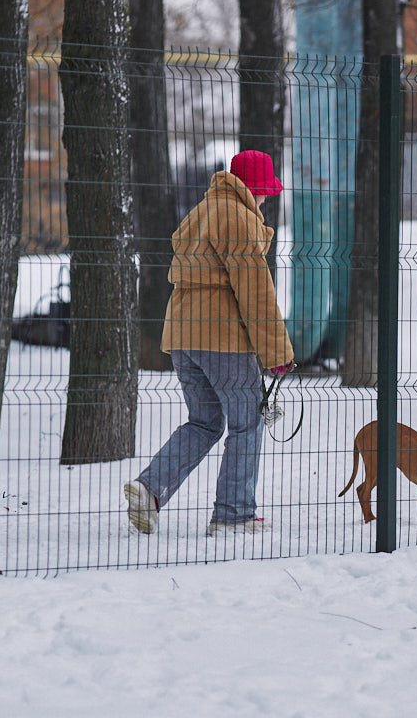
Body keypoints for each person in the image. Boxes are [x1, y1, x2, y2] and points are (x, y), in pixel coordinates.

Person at [125, 150, 295, 536]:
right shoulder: (237, 217)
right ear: (253, 188)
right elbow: (255, 290)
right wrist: (277, 352)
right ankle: (233, 515)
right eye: (265, 191)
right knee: (247, 422)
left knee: (204, 421)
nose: (267, 199)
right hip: (222, 336)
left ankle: (149, 488)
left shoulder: (201, 211)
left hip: (184, 335)